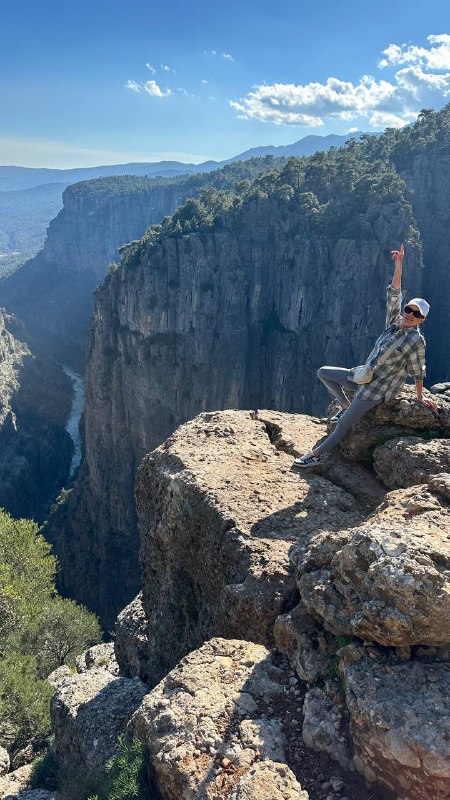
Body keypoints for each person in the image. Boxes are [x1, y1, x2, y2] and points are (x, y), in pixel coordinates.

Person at [294, 243, 438, 468]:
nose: (409, 314)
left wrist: (420, 397)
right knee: (324, 373)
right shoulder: (394, 323)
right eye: (408, 310)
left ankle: (315, 455)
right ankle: (344, 405)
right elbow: (394, 293)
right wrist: (399, 264)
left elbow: (418, 370)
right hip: (362, 376)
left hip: (377, 390)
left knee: (343, 425)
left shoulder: (416, 341)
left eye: (416, 313)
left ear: (422, 320)